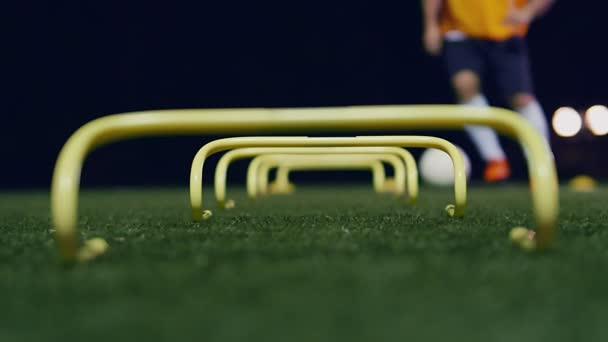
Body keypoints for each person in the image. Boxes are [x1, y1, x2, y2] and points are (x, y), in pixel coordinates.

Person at [421, 0, 554, 182]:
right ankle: (495, 160)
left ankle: (542, 165)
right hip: (459, 29)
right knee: (464, 86)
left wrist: (528, 12)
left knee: (522, 98)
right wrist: (431, 24)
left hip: (507, 28)